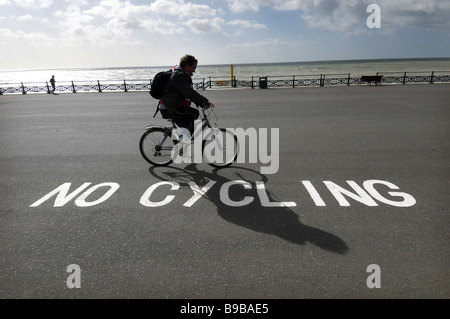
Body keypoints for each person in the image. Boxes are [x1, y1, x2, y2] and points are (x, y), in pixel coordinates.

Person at [160, 55, 214, 135]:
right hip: (170, 108)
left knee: (189, 127)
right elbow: (188, 92)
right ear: (187, 66)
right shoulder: (179, 75)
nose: (194, 70)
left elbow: (188, 94)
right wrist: (205, 101)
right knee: (194, 113)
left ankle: (184, 141)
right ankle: (184, 140)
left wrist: (200, 103)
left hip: (174, 106)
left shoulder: (183, 75)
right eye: (193, 68)